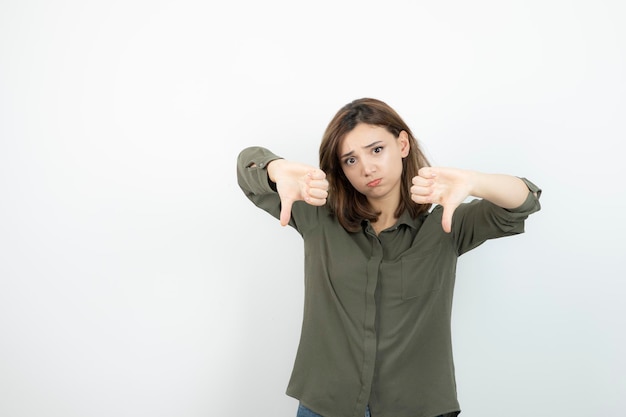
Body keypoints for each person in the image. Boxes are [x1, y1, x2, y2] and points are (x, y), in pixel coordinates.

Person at [236, 98, 541, 417]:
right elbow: (247, 167)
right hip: (325, 404)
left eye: (376, 150)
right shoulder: (318, 217)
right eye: (350, 160)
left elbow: (524, 202)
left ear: (403, 144)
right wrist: (276, 168)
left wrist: (474, 182)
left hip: (417, 407)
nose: (366, 168)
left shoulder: (446, 225)